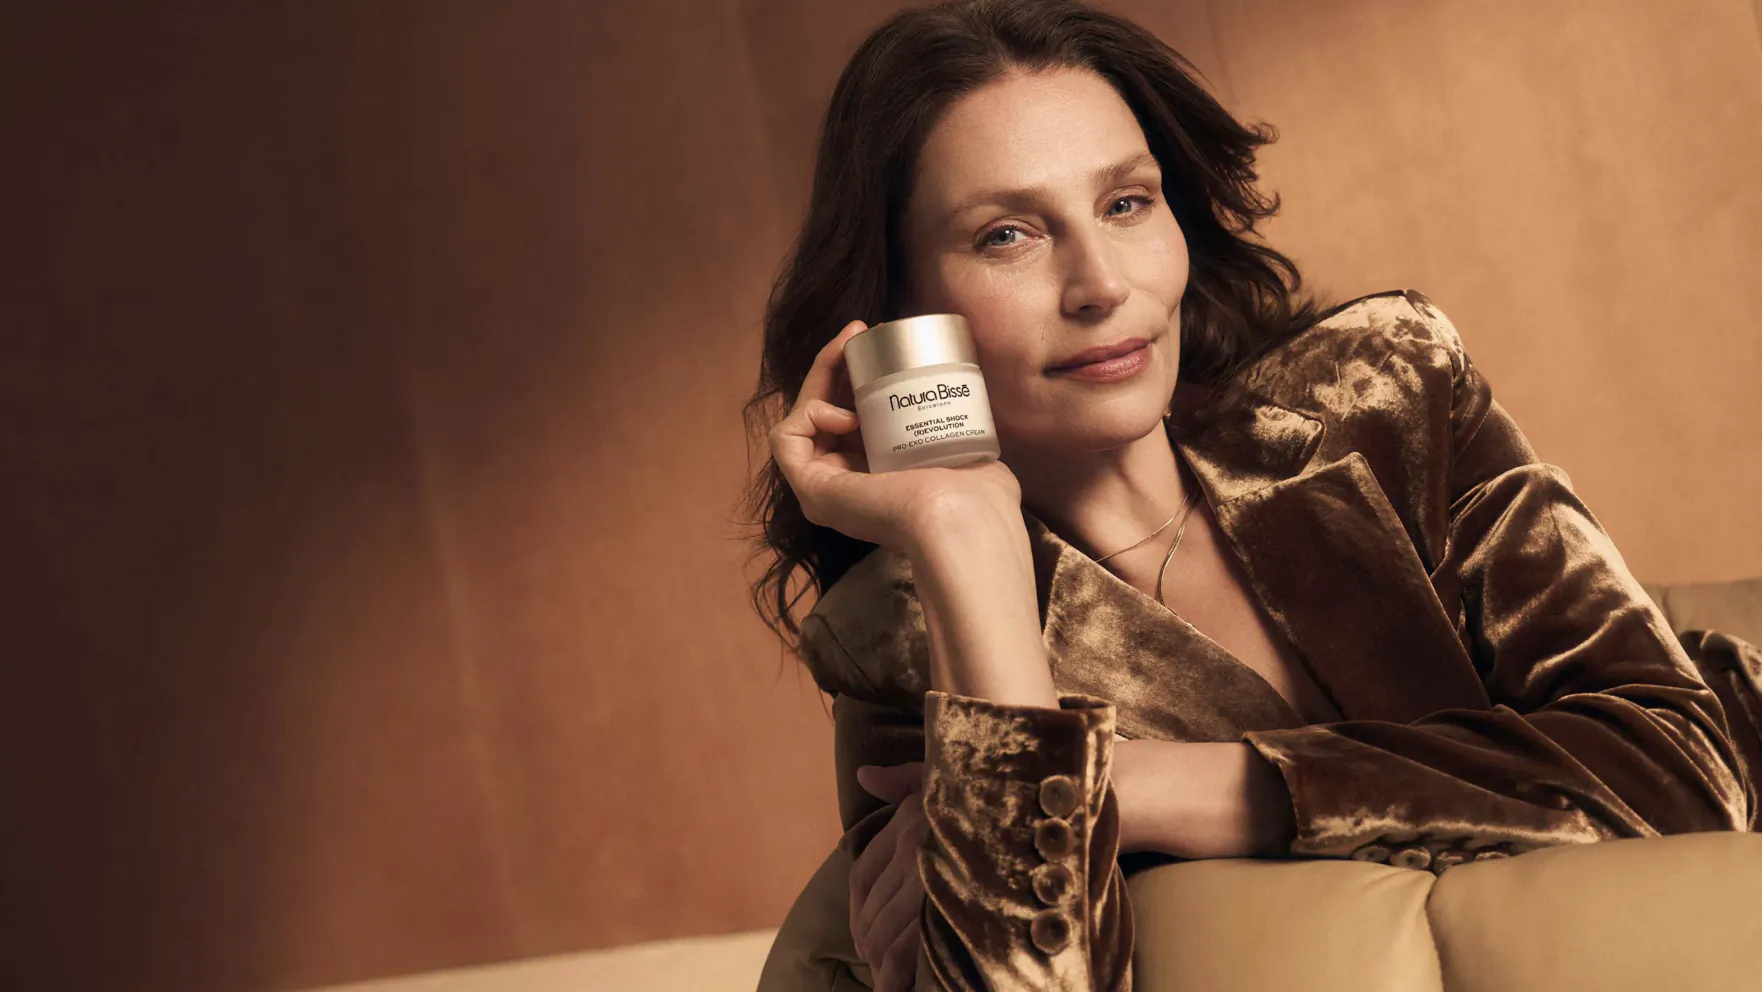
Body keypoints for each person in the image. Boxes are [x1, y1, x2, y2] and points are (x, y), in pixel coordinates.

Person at [740, 1, 1759, 989]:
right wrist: (964, 536)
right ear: (902, 319)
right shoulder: (902, 642)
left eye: (1126, 203)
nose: (1101, 282)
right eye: (1007, 234)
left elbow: (1683, 766)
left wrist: (1132, 787)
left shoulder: (1384, 391)